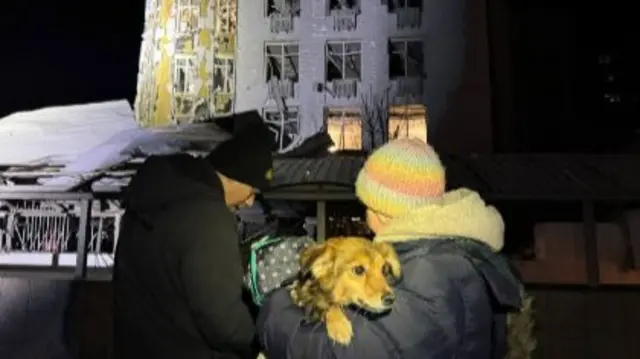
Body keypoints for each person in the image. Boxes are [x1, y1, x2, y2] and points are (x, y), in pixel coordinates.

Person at [257, 139, 529, 359]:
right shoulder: (452, 255)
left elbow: (339, 353)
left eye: (366, 204)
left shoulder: (428, 273)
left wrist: (275, 305)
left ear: (382, 211)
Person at [113, 119, 274, 359]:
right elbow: (223, 322)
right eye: (252, 190)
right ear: (234, 177)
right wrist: (259, 341)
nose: (250, 202)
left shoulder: (156, 195)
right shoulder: (209, 217)